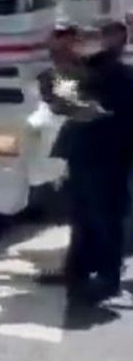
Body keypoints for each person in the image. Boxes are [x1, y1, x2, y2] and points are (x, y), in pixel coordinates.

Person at [40, 23, 133, 302]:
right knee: (81, 215)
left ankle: (108, 278)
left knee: (106, 217)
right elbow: (60, 96)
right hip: (84, 153)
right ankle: (77, 269)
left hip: (110, 155)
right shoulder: (83, 68)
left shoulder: (118, 72)